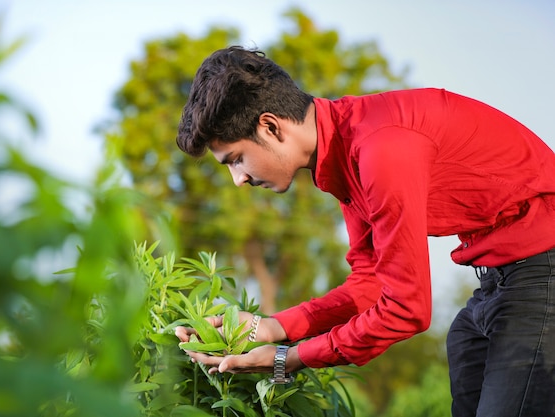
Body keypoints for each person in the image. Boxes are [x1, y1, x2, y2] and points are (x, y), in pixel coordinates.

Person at [174, 45, 555, 416]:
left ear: (271, 126)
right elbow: (370, 284)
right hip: (501, 281)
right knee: (464, 342)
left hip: (542, 269)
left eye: (236, 160)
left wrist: (288, 358)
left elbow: (408, 309)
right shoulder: (341, 149)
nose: (238, 179)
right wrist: (270, 328)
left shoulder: (380, 150)